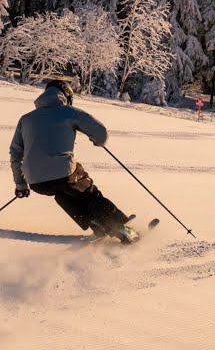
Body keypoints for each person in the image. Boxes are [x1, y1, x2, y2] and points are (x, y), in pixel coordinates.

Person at [9, 79, 138, 243]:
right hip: (64, 172)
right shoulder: (69, 112)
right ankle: (122, 228)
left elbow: (15, 153)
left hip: (37, 182)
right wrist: (97, 140)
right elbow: (101, 133)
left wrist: (21, 185)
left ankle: (95, 223)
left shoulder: (26, 119)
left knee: (61, 193)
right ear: (66, 96)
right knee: (88, 192)